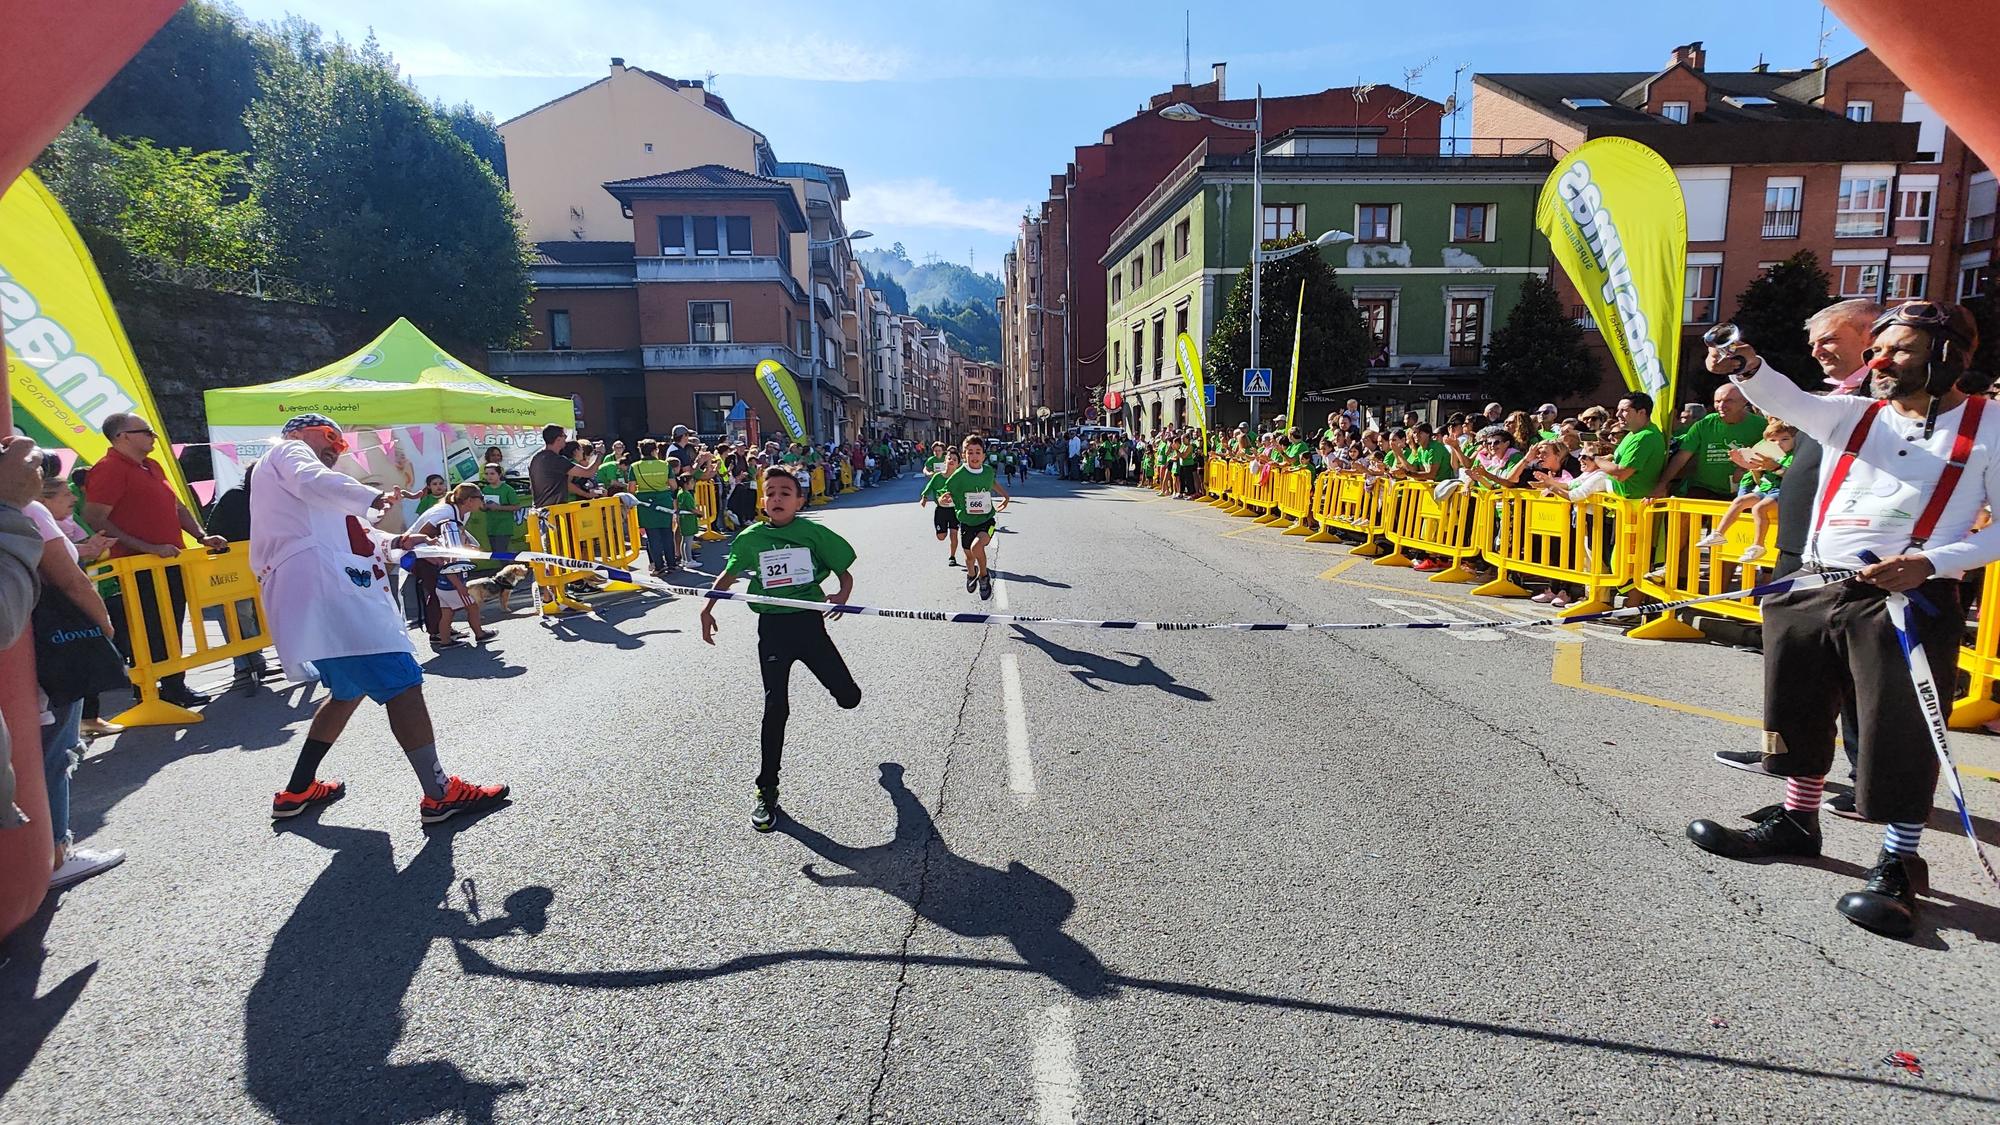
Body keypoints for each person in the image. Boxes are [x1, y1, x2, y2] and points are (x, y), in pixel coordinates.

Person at [1686, 301, 1996, 939]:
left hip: (1908, 597)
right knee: (1795, 706)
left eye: (1900, 351)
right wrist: (1745, 366)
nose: (1880, 362)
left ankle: (1899, 861)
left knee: (1895, 729)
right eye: (1877, 349)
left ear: (1948, 357)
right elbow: (1790, 398)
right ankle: (1798, 821)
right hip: (1815, 584)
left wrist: (1930, 562)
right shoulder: (1854, 415)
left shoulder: (1989, 426)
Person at [253, 415, 508, 825]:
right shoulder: (290, 452)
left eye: (341, 443)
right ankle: (440, 794)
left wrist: (399, 541)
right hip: (333, 595)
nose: (337, 448)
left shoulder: (315, 491)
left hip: (329, 595)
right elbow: (319, 487)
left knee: (347, 691)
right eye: (330, 437)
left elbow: (359, 536)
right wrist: (371, 499)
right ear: (299, 433)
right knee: (403, 684)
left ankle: (298, 788)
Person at [1715, 300, 1883, 812]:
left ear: (1870, 336)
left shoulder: (1890, 402)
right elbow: (1786, 401)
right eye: (1814, 342)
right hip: (1801, 553)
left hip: (1850, 565)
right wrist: (1746, 367)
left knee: (1856, 678)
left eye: (1829, 339)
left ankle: (1866, 780)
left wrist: (1749, 367)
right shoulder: (1835, 398)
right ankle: (1784, 758)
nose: (1817, 350)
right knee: (1796, 675)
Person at [700, 467, 861, 833]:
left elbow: (844, 571)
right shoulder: (750, 538)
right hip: (772, 629)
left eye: (785, 492)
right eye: (770, 492)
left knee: (849, 697)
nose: (777, 498)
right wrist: (707, 608)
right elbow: (728, 576)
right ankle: (767, 789)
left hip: (809, 626)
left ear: (799, 500)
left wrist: (843, 594)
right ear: (762, 500)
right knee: (776, 707)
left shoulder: (814, 533)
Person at [83, 412, 226, 708]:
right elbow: (95, 517)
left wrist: (201, 536)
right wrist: (147, 547)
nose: (153, 436)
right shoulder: (109, 468)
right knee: (149, 626)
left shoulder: (152, 466)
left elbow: (177, 506)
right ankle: (151, 688)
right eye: (146, 431)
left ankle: (173, 686)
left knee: (170, 623)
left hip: (167, 560)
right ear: (122, 437)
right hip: (138, 565)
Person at [29, 459, 127, 890]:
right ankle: (54, 852)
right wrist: (103, 629)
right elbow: (71, 581)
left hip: (27, 641)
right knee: (56, 750)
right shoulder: (29, 512)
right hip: (52, 643)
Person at [1695, 419, 1795, 562]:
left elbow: (1794, 476)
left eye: (1785, 439)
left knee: (1759, 508)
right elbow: (1756, 478)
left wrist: (1774, 467)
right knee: (1740, 501)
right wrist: (1748, 465)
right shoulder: (1767, 454)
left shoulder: (1794, 455)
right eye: (1773, 440)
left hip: (1783, 492)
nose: (1778, 443)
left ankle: (1758, 545)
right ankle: (1718, 533)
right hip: (1766, 489)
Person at [411, 484, 494, 651]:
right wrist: (431, 556)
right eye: (481, 498)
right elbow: (420, 534)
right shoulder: (444, 513)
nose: (483, 501)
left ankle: (444, 634)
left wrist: (469, 546)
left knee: (445, 604)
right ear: (470, 500)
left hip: (441, 559)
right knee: (440, 597)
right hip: (423, 556)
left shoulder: (464, 512)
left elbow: (459, 534)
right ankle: (439, 634)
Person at [1653, 384, 1765, 500]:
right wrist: (1662, 484)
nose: (1721, 406)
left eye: (1728, 401)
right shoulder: (1704, 425)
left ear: (1744, 400)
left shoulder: (1761, 426)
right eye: (1717, 401)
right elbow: (1681, 457)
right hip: (1704, 490)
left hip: (1743, 492)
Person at [939, 436, 1010, 600]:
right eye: (970, 452)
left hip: (987, 520)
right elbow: (947, 491)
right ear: (964, 455)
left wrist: (1005, 496)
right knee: (969, 557)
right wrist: (943, 498)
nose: (974, 456)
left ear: (983, 456)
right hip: (966, 522)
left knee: (977, 547)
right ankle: (972, 574)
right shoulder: (959, 475)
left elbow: (991, 482)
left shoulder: (987, 471)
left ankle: (984, 577)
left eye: (978, 452)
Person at [1595, 394, 1667, 499]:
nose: (1617, 414)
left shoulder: (1645, 436)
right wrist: (1611, 455)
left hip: (1634, 504)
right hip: (1623, 502)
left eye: (1624, 410)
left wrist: (1596, 459)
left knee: (1594, 479)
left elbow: (1620, 474)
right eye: (1618, 410)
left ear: (1642, 412)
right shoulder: (1634, 433)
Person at [629, 440, 677, 576]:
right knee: (667, 534)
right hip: (663, 501)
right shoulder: (664, 464)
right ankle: (672, 564)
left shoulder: (635, 466)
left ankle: (659, 566)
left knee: (652, 536)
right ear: (654, 450)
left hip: (645, 504)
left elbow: (631, 489)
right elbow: (673, 485)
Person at [528, 424, 597, 508]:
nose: (566, 438)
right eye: (564, 435)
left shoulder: (535, 458)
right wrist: (600, 453)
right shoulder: (556, 460)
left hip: (539, 511)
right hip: (553, 511)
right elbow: (589, 472)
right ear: (558, 439)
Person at [919, 448, 963, 566]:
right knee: (941, 537)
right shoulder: (938, 476)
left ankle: (952, 556)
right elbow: (929, 487)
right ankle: (942, 532)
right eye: (949, 458)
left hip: (955, 510)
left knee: (953, 534)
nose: (952, 461)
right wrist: (924, 497)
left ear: (958, 464)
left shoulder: (960, 478)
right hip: (941, 510)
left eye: (955, 459)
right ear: (945, 461)